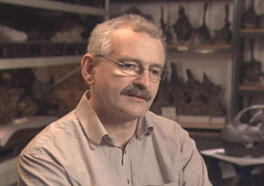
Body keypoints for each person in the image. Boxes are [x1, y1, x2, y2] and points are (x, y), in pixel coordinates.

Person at [17, 14, 212, 186]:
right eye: (129, 65)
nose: (144, 82)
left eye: (154, 71)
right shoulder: (47, 157)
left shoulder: (176, 141)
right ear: (89, 69)